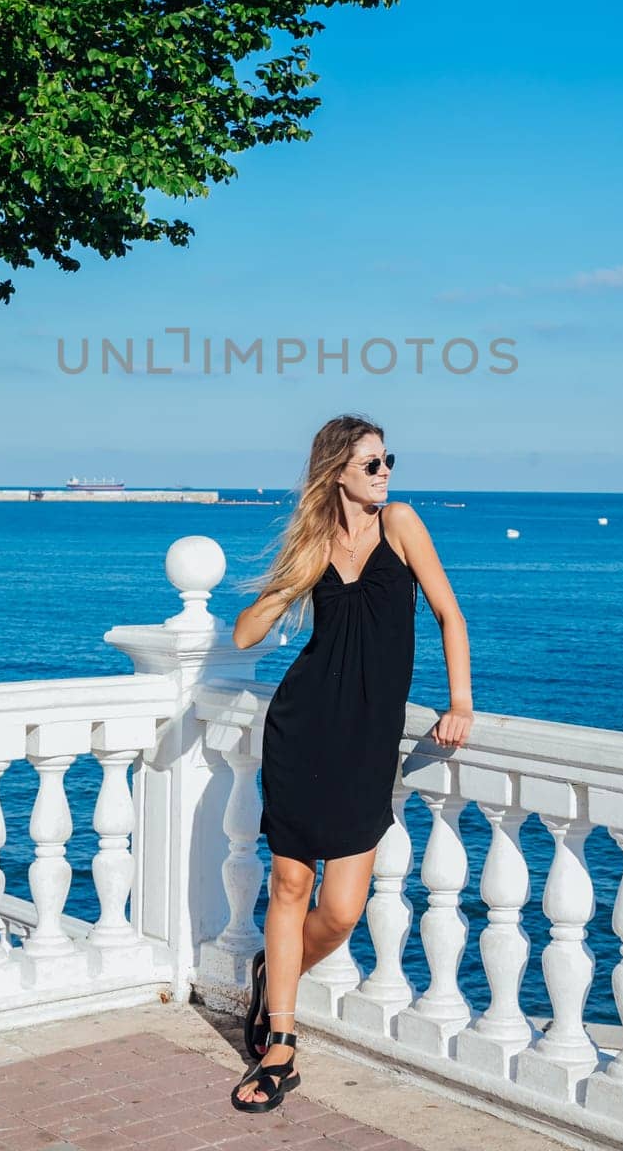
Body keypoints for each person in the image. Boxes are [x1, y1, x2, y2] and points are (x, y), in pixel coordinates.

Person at [229, 414, 474, 1111]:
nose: (384, 471)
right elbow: (247, 635)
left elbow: (448, 616)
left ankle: (271, 976)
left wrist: (459, 702)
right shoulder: (311, 544)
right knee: (286, 885)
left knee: (338, 911)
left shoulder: (400, 523)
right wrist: (289, 582)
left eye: (387, 458)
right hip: (302, 726)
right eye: (370, 463)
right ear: (336, 470)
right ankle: (280, 1044)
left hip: (365, 739)